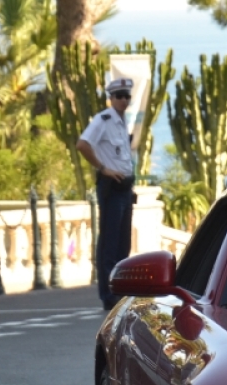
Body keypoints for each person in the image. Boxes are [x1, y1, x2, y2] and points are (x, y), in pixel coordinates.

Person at [76, 78, 137, 310]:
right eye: (119, 96)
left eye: (127, 96)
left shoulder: (121, 122)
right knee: (110, 243)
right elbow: (82, 144)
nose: (123, 100)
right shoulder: (103, 120)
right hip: (111, 186)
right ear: (111, 98)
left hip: (124, 187)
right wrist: (103, 168)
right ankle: (108, 294)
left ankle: (120, 290)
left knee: (123, 243)